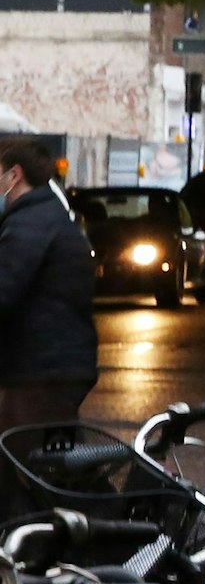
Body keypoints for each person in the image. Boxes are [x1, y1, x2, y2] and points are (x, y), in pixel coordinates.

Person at [0, 137, 97, 438]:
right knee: (58, 466)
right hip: (59, 364)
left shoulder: (29, 224)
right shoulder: (48, 216)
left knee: (15, 461)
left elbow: (4, 289)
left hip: (41, 368)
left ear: (14, 175)